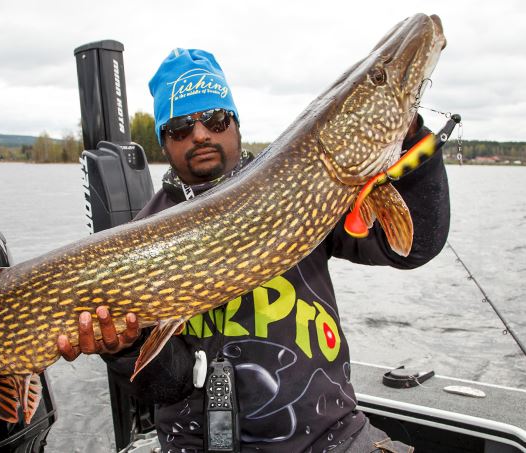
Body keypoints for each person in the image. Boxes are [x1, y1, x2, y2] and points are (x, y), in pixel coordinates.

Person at [58, 48, 450, 452]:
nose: (200, 134)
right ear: (163, 140)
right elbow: (168, 385)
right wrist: (124, 348)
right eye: (179, 127)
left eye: (214, 119)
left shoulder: (307, 186)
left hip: (330, 435)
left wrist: (409, 136)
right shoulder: (143, 233)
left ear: (235, 123)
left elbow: (413, 246)